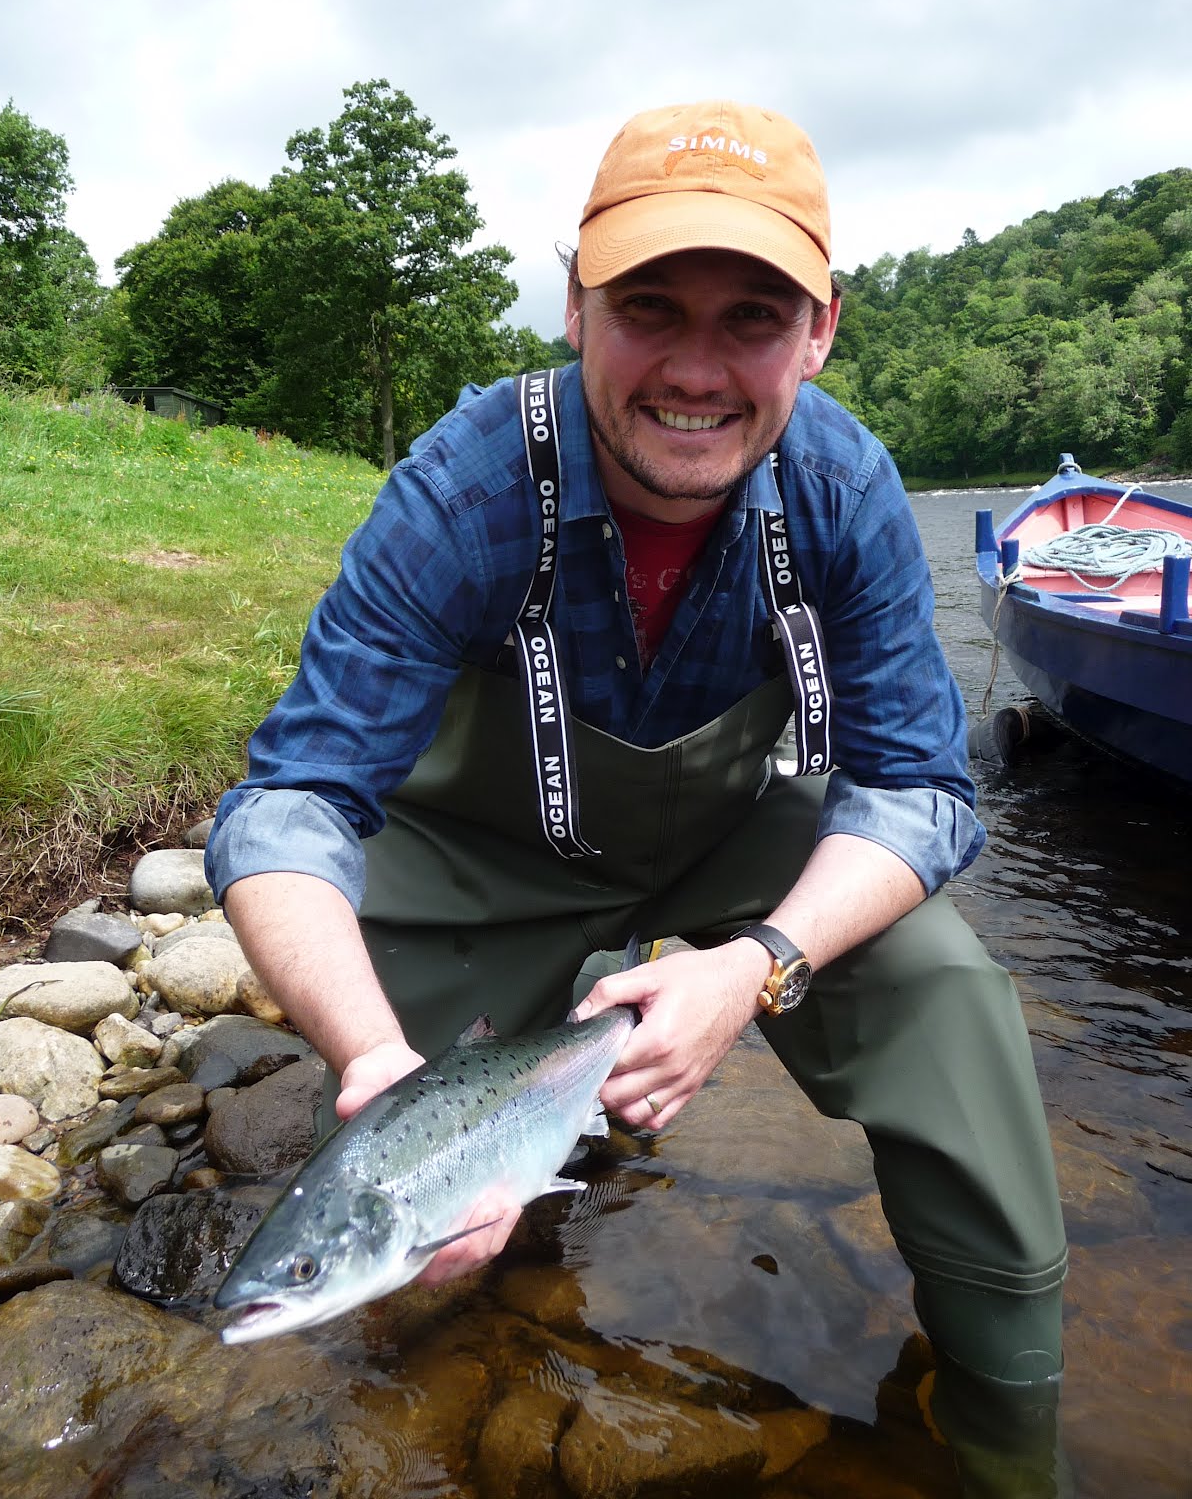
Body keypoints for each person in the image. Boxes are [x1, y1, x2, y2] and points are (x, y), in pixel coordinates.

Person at [206, 100, 1069, 1494]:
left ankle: (1006, 1421)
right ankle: (466, 1384)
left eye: (753, 318)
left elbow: (916, 789)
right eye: (651, 308)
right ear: (574, 308)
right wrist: (371, 1065)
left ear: (822, 331)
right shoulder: (463, 492)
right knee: (382, 1228)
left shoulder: (844, 490)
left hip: (744, 846)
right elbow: (293, 801)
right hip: (490, 856)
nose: (696, 368)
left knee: (952, 995)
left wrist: (759, 968)